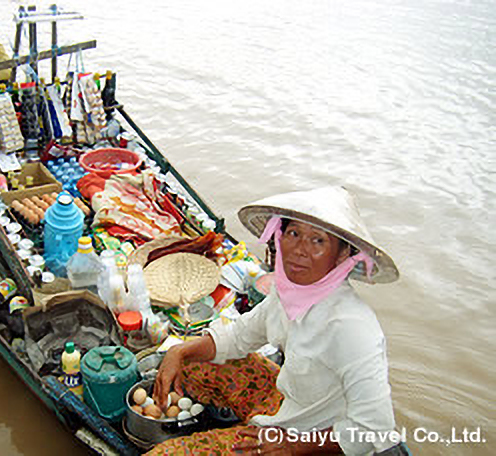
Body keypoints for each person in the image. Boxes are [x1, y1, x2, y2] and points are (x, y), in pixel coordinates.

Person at [150, 186, 410, 455]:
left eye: (318, 241)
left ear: (342, 254)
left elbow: (374, 429)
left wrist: (294, 446)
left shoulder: (351, 327)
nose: (299, 250)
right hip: (288, 404)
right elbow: (239, 336)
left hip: (318, 442)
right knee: (193, 364)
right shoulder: (287, 294)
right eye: (293, 234)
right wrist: (179, 351)